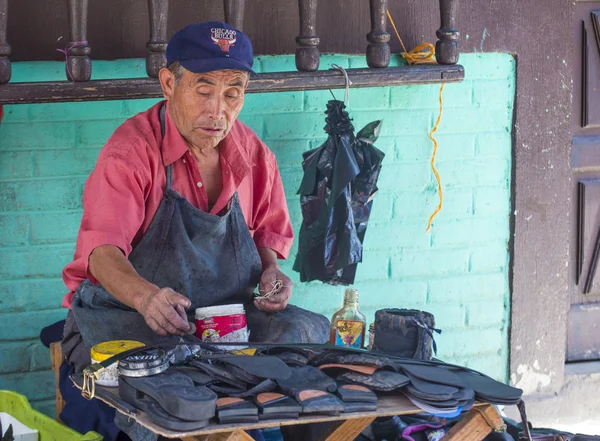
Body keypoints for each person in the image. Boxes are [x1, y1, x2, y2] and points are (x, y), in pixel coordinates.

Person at [57, 20, 329, 441]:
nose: (217, 110)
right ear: (168, 83)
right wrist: (147, 297)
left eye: (232, 92)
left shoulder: (255, 155)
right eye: (203, 90)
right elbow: (102, 254)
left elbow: (266, 241)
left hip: (224, 323)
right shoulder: (130, 153)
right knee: (162, 379)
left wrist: (271, 275)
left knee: (306, 333)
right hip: (134, 319)